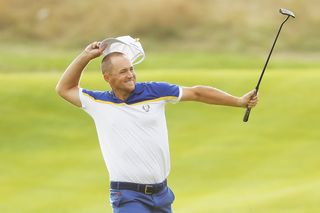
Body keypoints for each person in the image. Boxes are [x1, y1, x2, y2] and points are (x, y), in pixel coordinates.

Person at [56, 40, 258, 213]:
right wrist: (85, 56)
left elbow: (197, 93)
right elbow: (64, 88)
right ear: (107, 78)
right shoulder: (97, 102)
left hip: (162, 194)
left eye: (132, 69)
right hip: (128, 195)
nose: (131, 75)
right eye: (123, 71)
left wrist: (238, 101)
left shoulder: (155, 91)